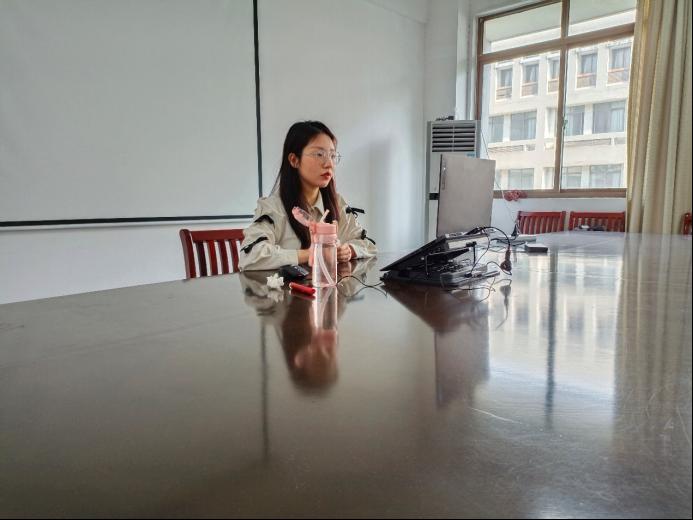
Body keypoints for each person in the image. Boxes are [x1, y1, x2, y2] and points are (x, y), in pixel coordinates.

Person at [239, 121, 377, 271]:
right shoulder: (273, 208)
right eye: (319, 154)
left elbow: (369, 246)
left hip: (331, 285)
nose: (329, 164)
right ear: (294, 160)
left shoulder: (337, 203)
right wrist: (311, 254)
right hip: (287, 286)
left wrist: (350, 250)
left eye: (332, 155)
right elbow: (250, 257)